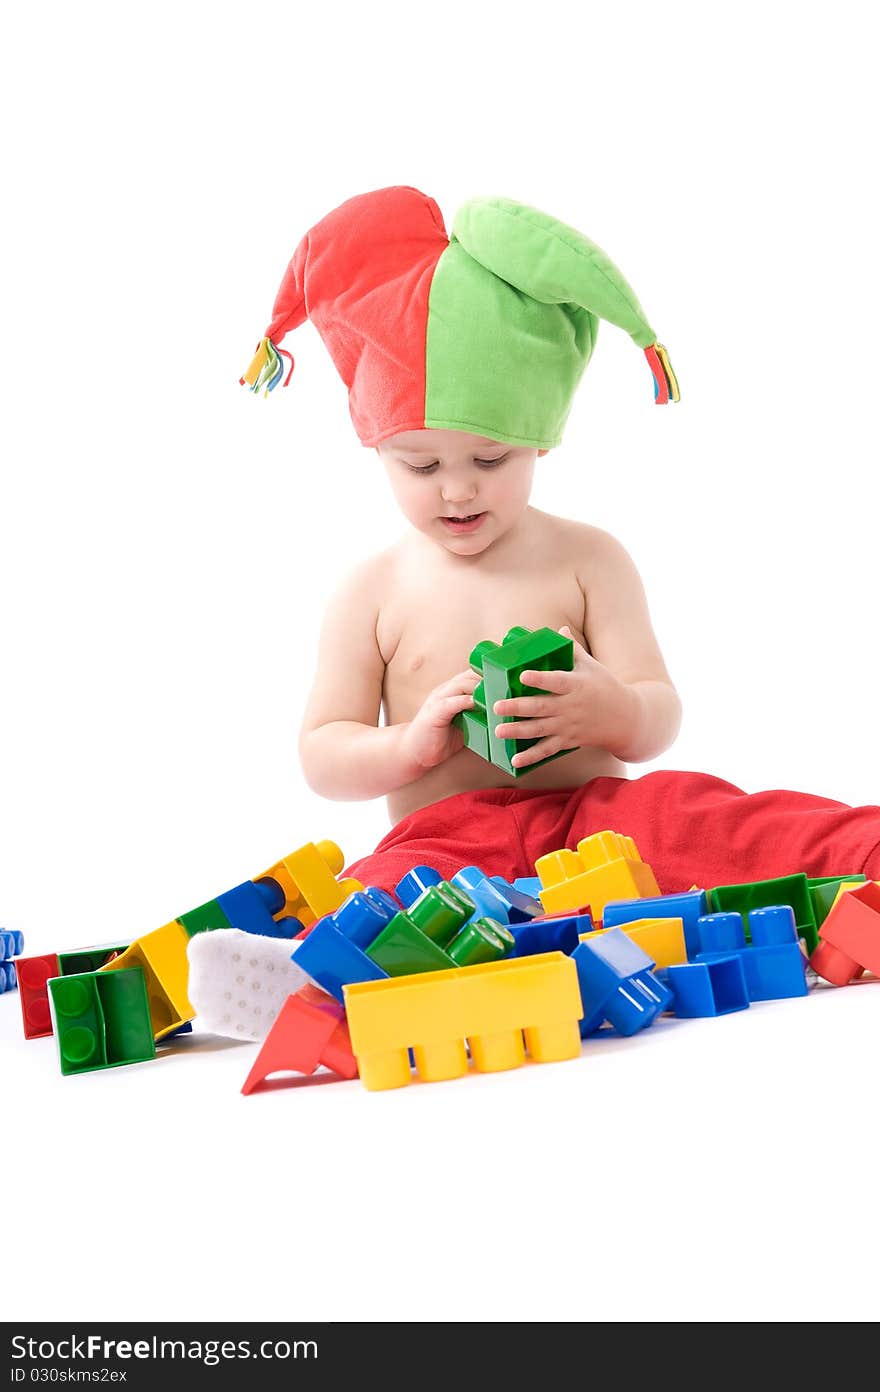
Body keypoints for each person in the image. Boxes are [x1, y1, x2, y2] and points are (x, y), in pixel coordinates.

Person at [241, 186, 880, 902]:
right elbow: (324, 752)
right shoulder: (372, 590)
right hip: (444, 837)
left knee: (703, 815)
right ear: (380, 452)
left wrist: (615, 711)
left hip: (596, 822)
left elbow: (657, 711)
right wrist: (407, 744)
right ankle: (311, 959)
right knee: (377, 894)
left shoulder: (588, 559)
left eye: (491, 462)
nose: (458, 490)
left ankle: (861, 852)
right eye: (421, 467)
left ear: (540, 444)